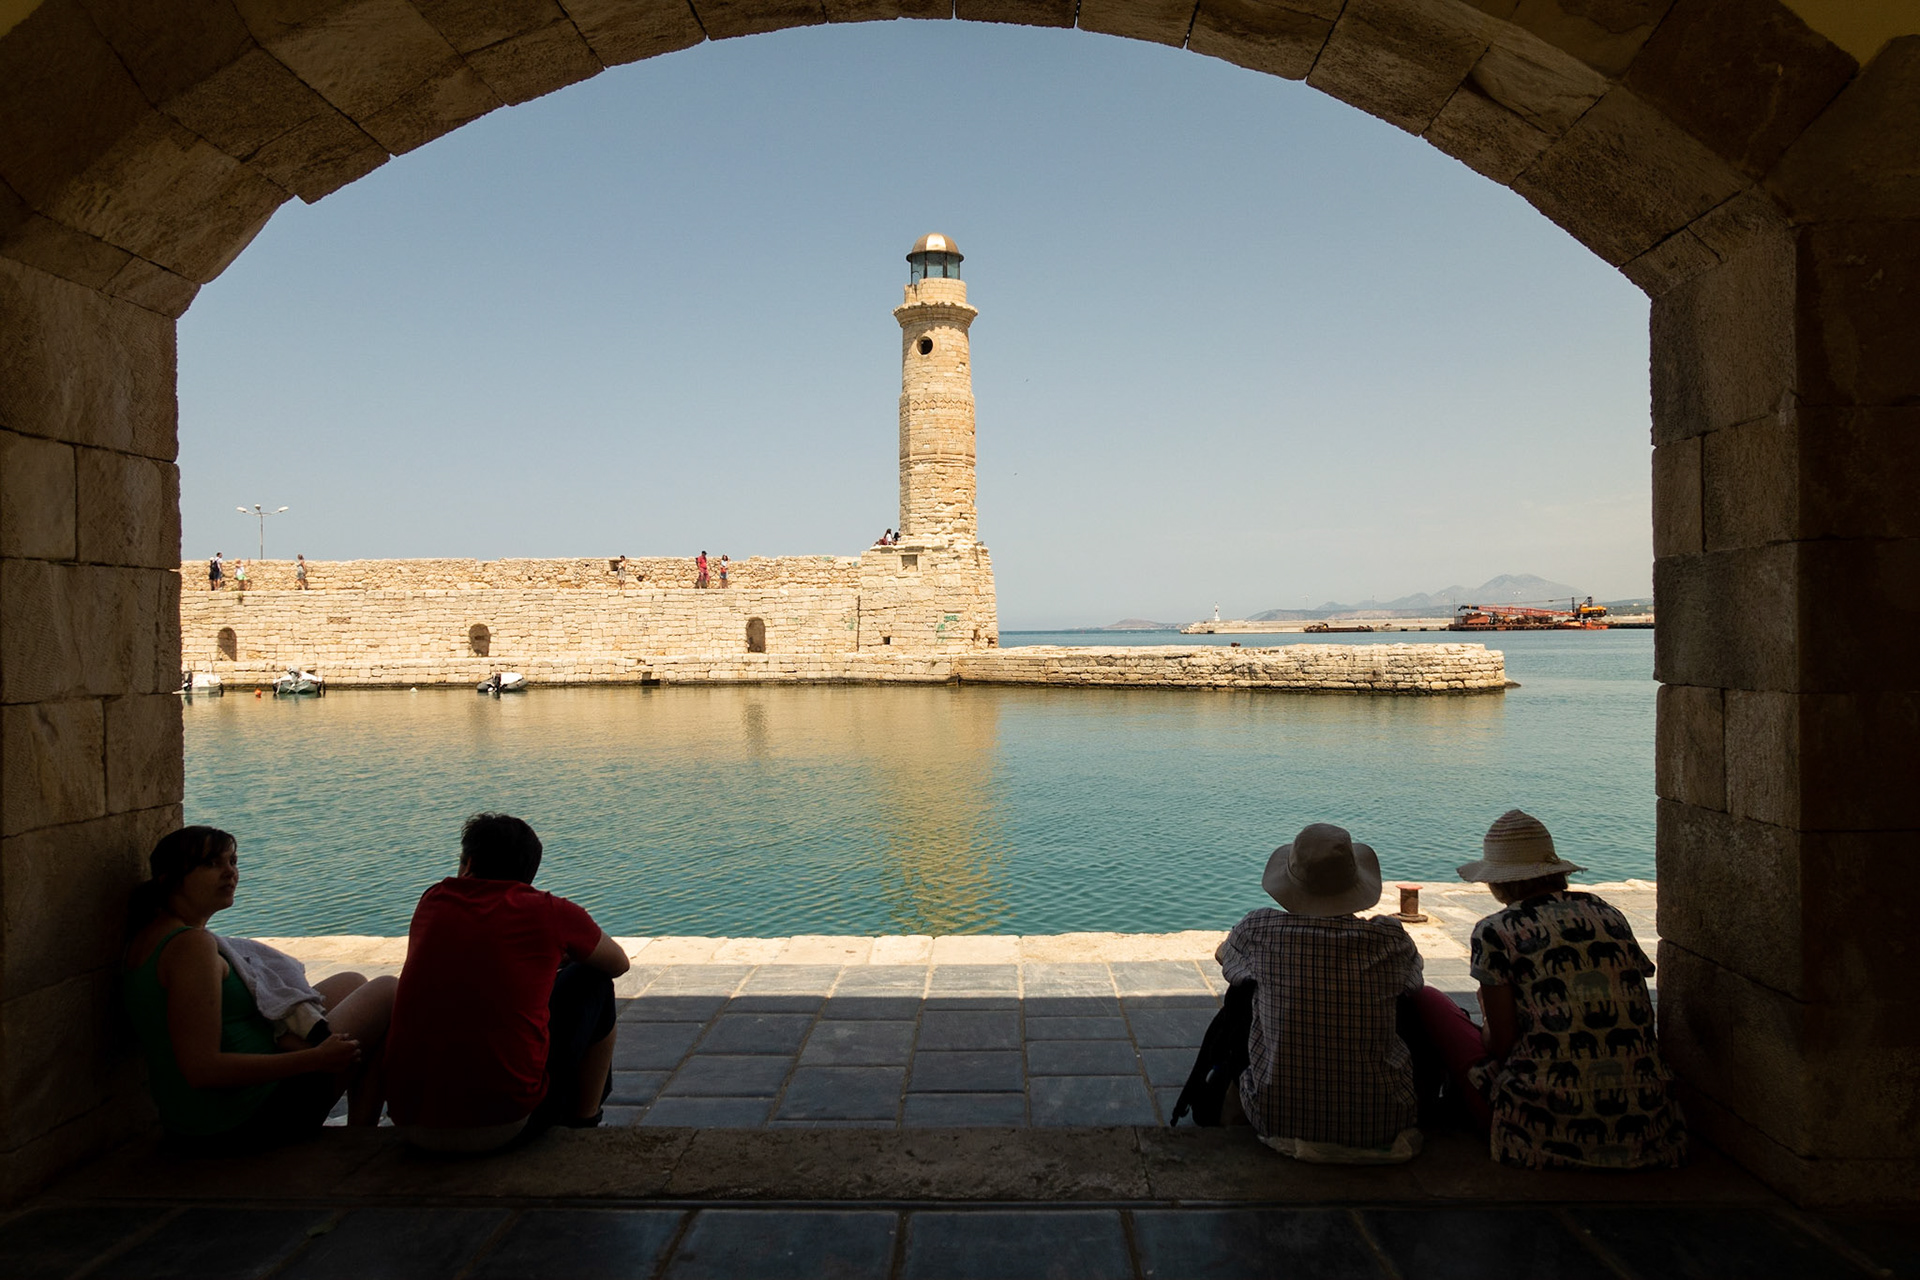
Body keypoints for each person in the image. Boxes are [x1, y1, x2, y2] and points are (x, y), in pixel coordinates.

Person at [1417, 810, 1687, 1171]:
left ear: (1497, 881)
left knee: (1430, 1001)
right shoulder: (1608, 914)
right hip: (1650, 1124)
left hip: (1541, 1128)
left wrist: (1486, 1012)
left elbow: (1501, 1046)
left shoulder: (1495, 931)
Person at [122, 826, 396, 1147]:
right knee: (387, 990)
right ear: (169, 879)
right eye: (212, 864)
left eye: (233, 861)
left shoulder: (157, 934)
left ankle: (359, 1130)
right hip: (242, 1118)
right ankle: (359, 1139)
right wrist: (318, 1058)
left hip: (215, 1114)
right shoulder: (189, 947)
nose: (230, 873)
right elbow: (202, 1069)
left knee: (351, 980)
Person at [383, 813, 630, 1152]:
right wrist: (562, 954)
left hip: (410, 1123)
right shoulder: (550, 913)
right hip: (505, 1125)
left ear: (468, 864)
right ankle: (585, 1122)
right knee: (594, 980)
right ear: (529, 873)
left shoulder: (433, 901)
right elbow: (618, 963)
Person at [1213, 823, 1425, 1162]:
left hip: (1277, 1118)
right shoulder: (1390, 939)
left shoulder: (1258, 929)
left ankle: (1236, 1096)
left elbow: (1224, 957)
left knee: (1241, 994)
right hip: (1382, 1122)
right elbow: (1414, 983)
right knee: (1413, 1002)